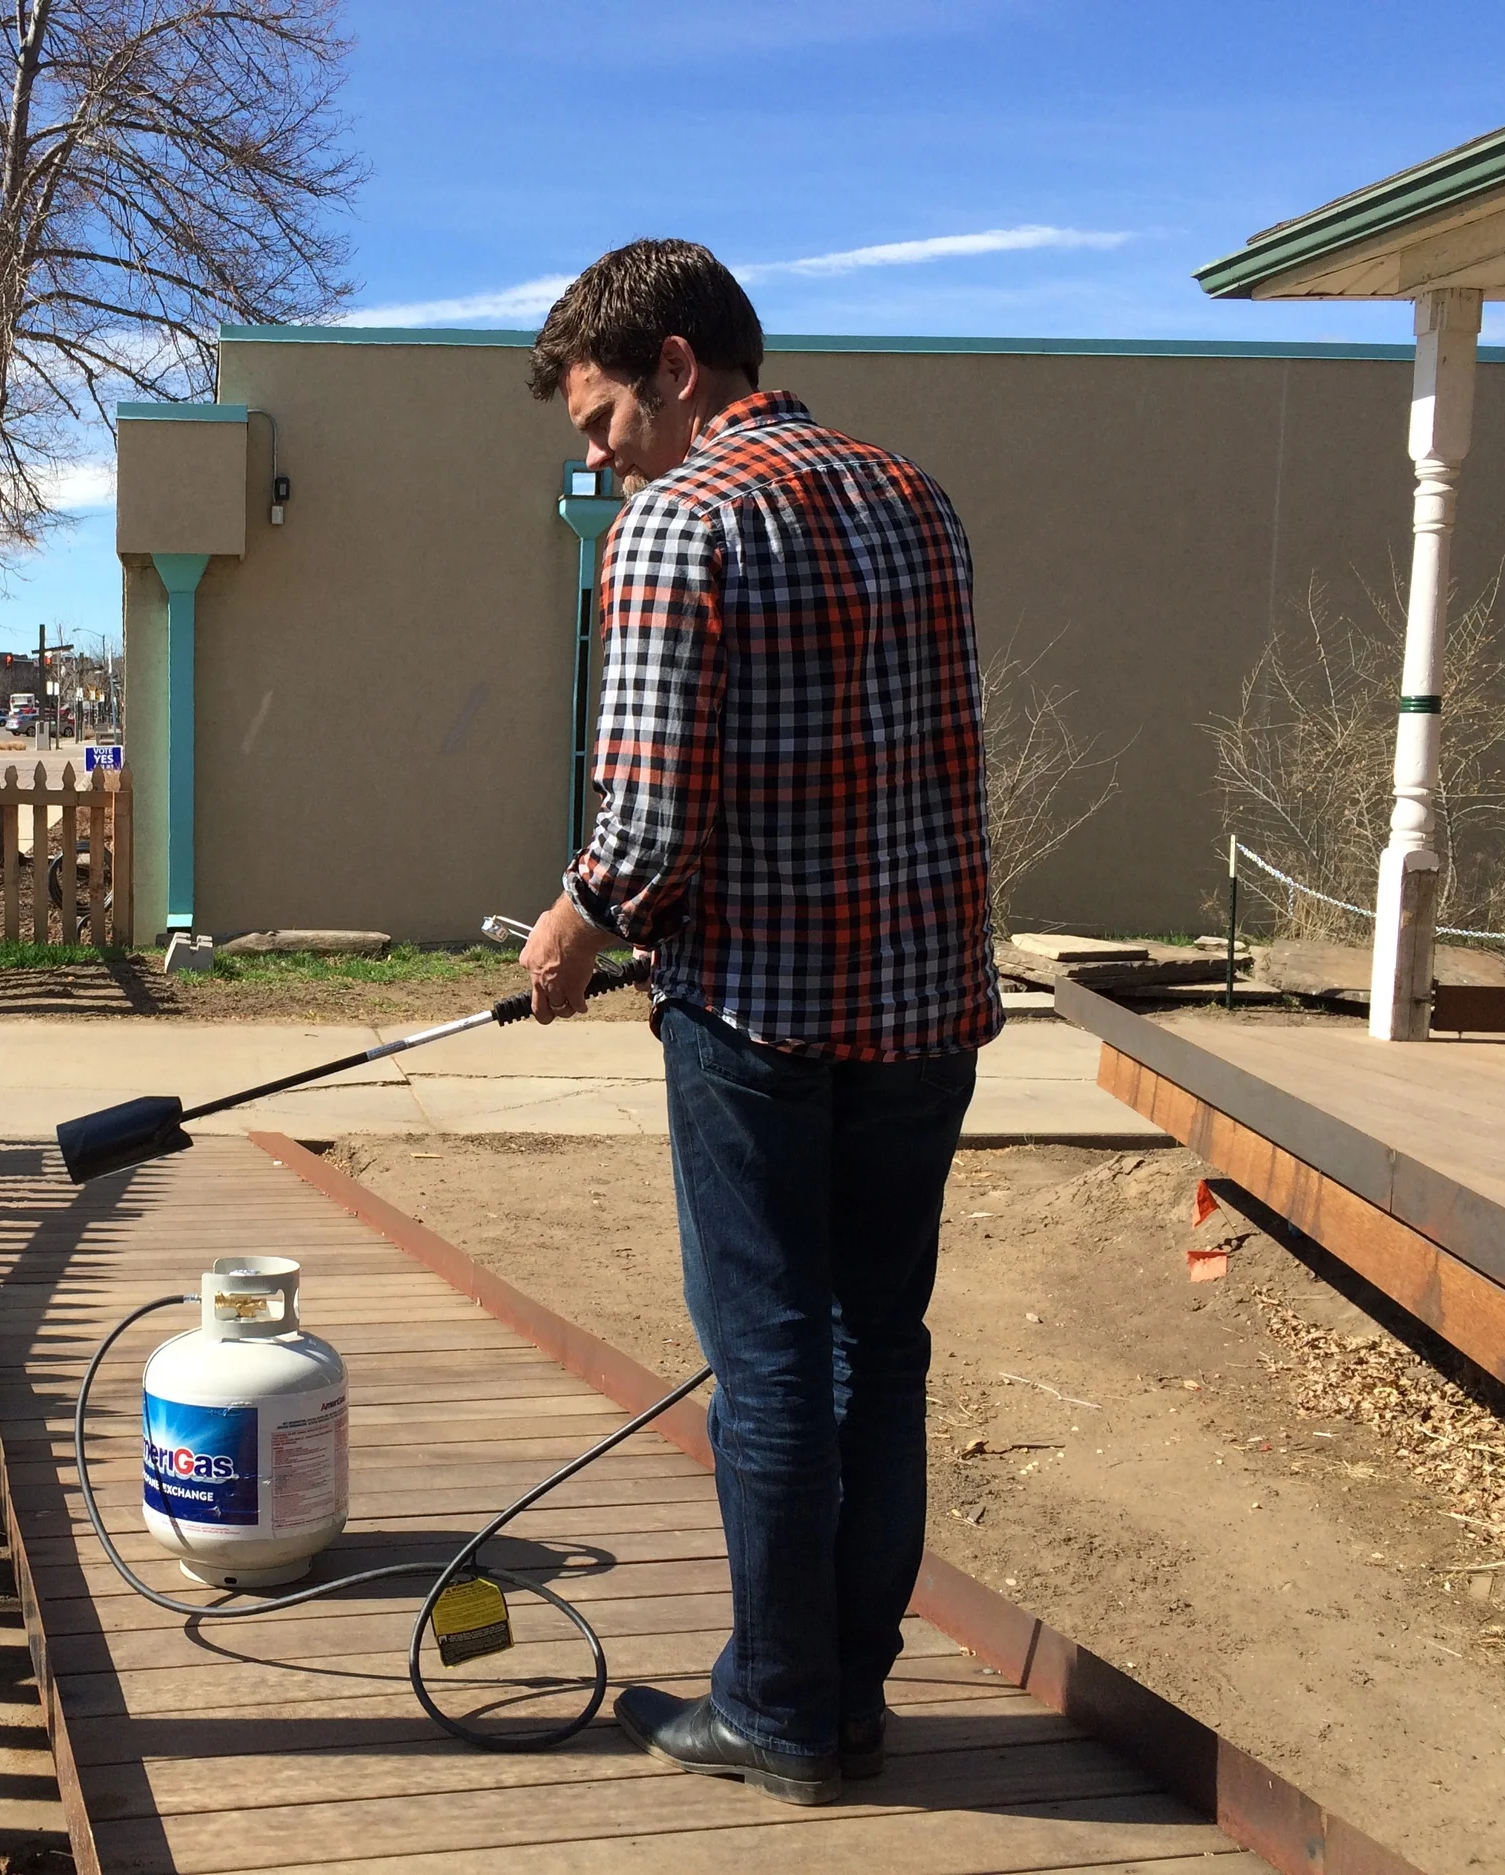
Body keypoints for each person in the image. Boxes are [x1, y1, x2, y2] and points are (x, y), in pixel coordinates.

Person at [518, 239, 1001, 1806]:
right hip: (926, 1008)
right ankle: (849, 1695)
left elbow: (649, 822)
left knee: (777, 1354)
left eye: (600, 424)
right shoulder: (916, 497)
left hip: (764, 1017)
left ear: (674, 366)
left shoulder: (681, 519)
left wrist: (574, 927)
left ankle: (781, 1710)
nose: (598, 464)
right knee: (884, 1347)